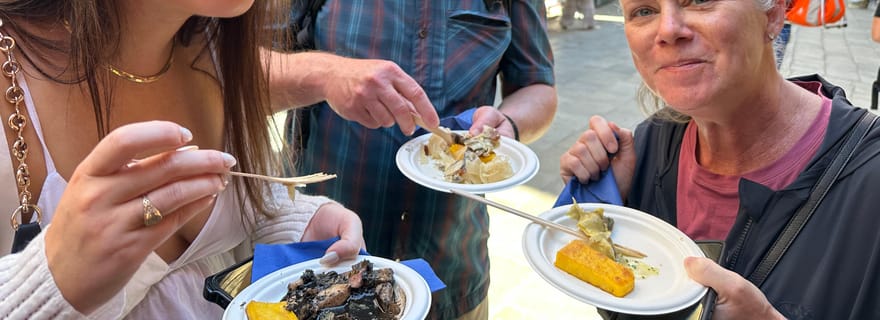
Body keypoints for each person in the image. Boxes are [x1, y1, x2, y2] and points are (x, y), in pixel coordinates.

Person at [0, 1, 365, 319]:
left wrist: (293, 222)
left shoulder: (211, 39)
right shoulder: (11, 80)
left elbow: (226, 212)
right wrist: (54, 280)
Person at [559, 0, 880, 318]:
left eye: (699, 0)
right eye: (644, 11)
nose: (667, 30)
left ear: (773, 12)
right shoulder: (646, 146)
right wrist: (613, 203)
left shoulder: (869, 178)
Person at [272, 1, 557, 318]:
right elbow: (238, 71)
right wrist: (327, 74)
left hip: (452, 271)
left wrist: (507, 124)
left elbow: (538, 85)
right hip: (323, 266)